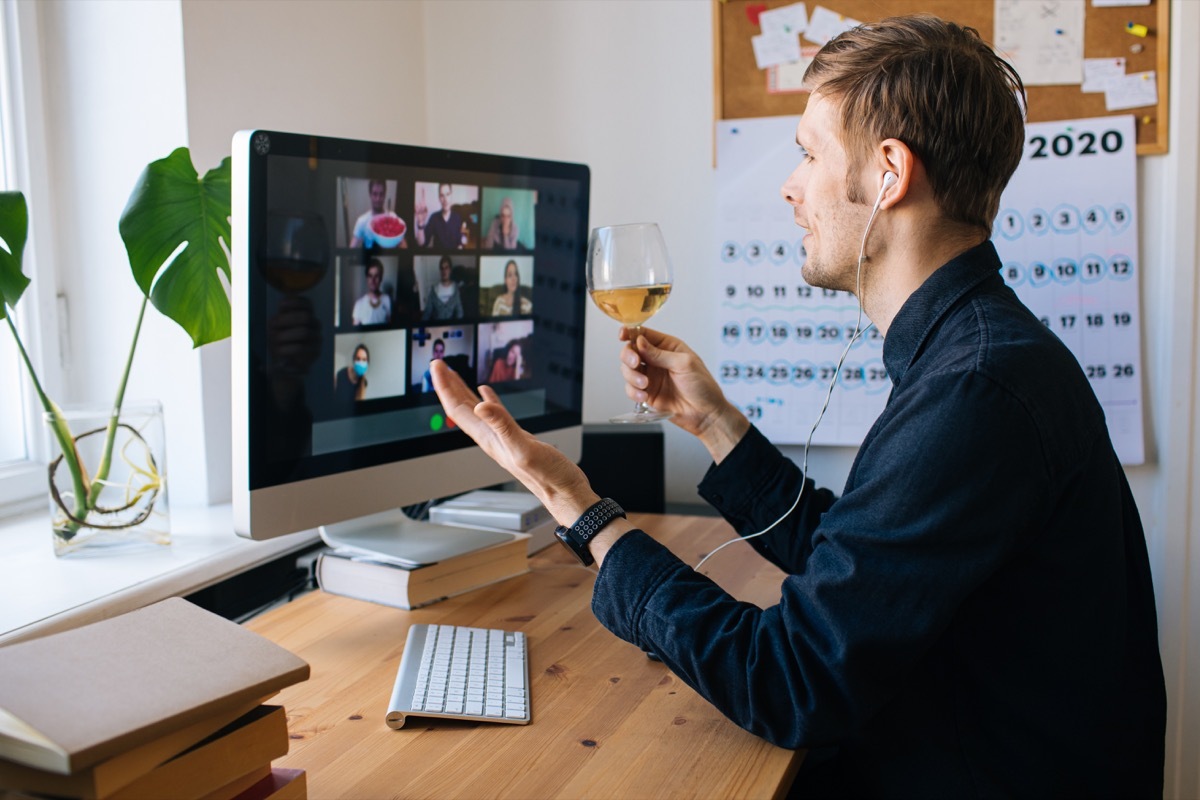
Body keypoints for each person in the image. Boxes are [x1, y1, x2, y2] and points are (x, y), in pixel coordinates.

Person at [430, 15, 1166, 797]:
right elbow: (863, 569)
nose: (790, 185)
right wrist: (716, 425)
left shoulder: (974, 392)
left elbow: (790, 680)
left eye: (810, 154)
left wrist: (576, 506)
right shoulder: (979, 352)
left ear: (889, 173)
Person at [415, 183, 464, 249]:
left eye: (448, 194)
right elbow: (422, 244)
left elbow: (459, 240)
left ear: (451, 195)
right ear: (439, 198)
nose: (445, 199)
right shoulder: (434, 218)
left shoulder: (457, 217)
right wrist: (420, 223)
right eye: (442, 195)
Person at [351, 258, 391, 326]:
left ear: (381, 278)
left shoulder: (387, 299)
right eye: (370, 276)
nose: (373, 280)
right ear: (367, 278)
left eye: (376, 276)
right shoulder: (359, 304)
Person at [348, 179, 387, 249]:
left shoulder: (393, 217)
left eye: (381, 194)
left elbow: (401, 242)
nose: (378, 199)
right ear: (370, 195)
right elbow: (352, 246)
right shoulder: (362, 221)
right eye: (375, 194)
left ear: (385, 195)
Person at [423, 255, 464, 320]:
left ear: (450, 270)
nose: (444, 271)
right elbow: (427, 312)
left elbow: (460, 312)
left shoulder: (456, 289)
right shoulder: (434, 290)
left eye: (446, 268)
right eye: (442, 268)